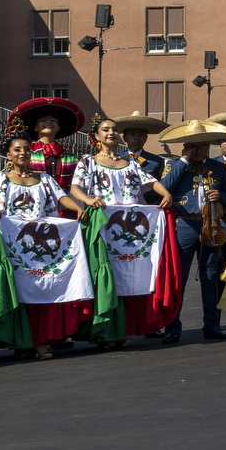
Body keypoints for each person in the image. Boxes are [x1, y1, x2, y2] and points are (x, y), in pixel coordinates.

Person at [69, 116, 179, 346]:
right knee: (105, 276)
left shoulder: (130, 163)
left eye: (114, 130)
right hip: (102, 226)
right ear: (97, 136)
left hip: (130, 230)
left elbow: (150, 182)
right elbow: (75, 188)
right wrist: (88, 201)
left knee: (127, 277)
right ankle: (104, 331)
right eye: (105, 130)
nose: (111, 133)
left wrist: (166, 194)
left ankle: (120, 331)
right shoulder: (87, 161)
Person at [0, 130, 87, 358]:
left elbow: (61, 197)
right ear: (8, 154)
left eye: (27, 149)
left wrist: (77, 207)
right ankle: (20, 341)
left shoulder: (45, 179)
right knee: (16, 290)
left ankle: (38, 341)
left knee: (40, 288)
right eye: (17, 149)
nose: (23, 153)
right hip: (11, 244)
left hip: (41, 245)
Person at [155, 120, 226, 341]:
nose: (199, 149)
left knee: (210, 275)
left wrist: (221, 197)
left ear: (209, 144)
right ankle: (172, 328)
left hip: (212, 224)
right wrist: (183, 160)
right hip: (184, 225)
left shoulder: (219, 167)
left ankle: (212, 325)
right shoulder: (176, 165)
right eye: (194, 145)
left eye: (203, 145)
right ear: (186, 145)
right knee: (177, 277)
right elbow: (164, 187)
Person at [11, 96, 83, 192]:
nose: (48, 122)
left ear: (58, 128)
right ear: (36, 127)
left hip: (64, 204)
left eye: (53, 120)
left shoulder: (70, 157)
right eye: (43, 120)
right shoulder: (27, 153)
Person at [115, 112, 171, 201]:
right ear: (125, 138)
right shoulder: (116, 158)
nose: (137, 138)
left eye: (141, 134)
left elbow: (161, 185)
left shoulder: (156, 161)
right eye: (132, 134)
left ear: (146, 138)